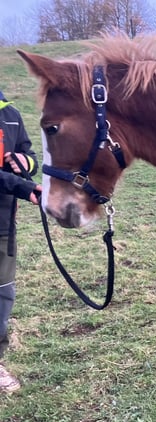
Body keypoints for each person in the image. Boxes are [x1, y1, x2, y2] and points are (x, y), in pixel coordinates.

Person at [0, 88, 41, 394]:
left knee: (2, 293)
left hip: (3, 223)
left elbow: (30, 155)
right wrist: (21, 187)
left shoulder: (10, 114)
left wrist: (24, 163)